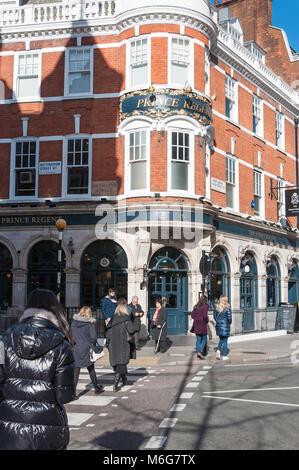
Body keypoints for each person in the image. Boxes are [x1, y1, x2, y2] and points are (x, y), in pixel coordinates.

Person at [0, 289, 75, 450]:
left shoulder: (4, 341)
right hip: (48, 426)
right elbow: (64, 395)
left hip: (8, 423)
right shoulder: (62, 345)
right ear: (55, 309)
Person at [70, 306, 104, 398]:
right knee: (91, 369)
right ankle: (96, 388)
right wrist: (90, 343)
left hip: (76, 348)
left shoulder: (73, 323)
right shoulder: (90, 324)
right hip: (86, 348)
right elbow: (93, 338)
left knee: (76, 371)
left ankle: (73, 393)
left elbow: (71, 335)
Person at [106, 298, 139, 391]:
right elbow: (131, 330)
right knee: (121, 363)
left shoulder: (112, 320)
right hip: (123, 344)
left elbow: (107, 334)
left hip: (113, 345)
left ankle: (124, 379)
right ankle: (115, 385)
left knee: (119, 364)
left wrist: (108, 344)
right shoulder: (126, 320)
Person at [213, 295, 232, 361]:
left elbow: (215, 317)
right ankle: (224, 355)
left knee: (221, 339)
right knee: (225, 341)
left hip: (219, 326)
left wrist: (218, 322)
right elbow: (229, 318)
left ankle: (218, 350)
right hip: (225, 325)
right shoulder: (227, 308)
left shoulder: (217, 308)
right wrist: (228, 323)